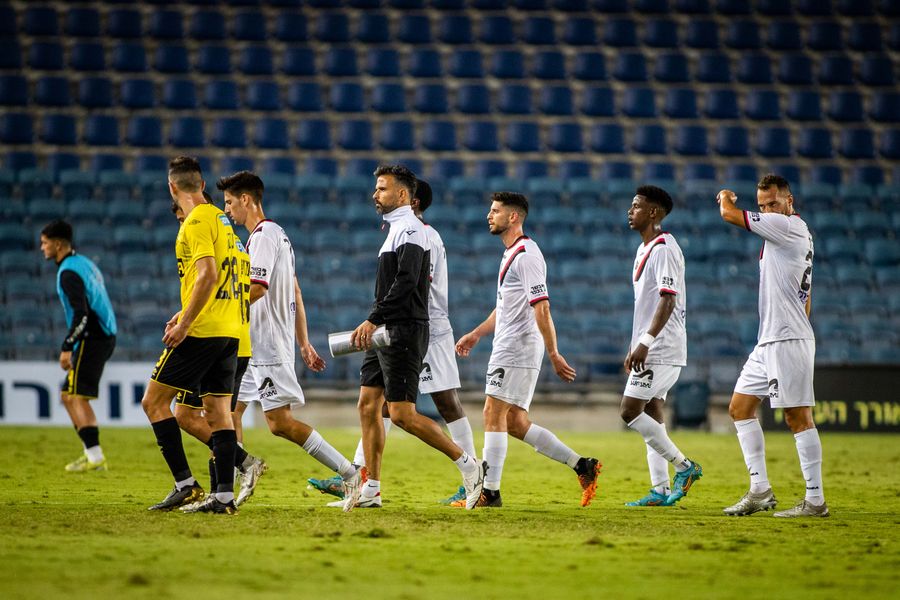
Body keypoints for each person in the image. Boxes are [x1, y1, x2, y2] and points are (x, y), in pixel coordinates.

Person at [307, 179, 478, 506]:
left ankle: (472, 468)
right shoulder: (398, 231)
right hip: (393, 325)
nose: (376, 195)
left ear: (411, 200)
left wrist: (378, 316)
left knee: (429, 405)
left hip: (420, 325)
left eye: (383, 189)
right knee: (373, 403)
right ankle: (366, 483)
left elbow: (411, 283)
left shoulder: (421, 233)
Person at [218, 171, 360, 500]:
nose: (226, 210)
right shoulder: (277, 235)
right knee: (229, 411)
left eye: (229, 202)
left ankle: (351, 474)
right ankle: (232, 485)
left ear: (245, 199)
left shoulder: (264, 236)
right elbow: (295, 291)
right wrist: (304, 342)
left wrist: (219, 306)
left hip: (267, 345)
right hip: (252, 344)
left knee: (279, 423)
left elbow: (257, 288)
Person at [455, 192, 600, 508]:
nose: (489, 215)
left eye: (495, 211)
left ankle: (490, 492)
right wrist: (477, 333)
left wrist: (554, 353)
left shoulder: (527, 255)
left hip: (516, 348)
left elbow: (542, 307)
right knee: (515, 422)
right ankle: (582, 465)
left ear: (513, 217)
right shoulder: (511, 254)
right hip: (512, 345)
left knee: (492, 413)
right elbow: (505, 307)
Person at [717, 174, 827, 518]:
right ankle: (760, 490)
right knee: (740, 408)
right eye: (762, 206)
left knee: (797, 417)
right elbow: (806, 295)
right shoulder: (790, 231)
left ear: (789, 201)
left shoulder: (786, 225)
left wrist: (724, 196)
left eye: (773, 204)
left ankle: (815, 500)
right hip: (769, 339)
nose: (767, 211)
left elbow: (729, 214)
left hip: (787, 338)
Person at [142, 156, 243, 514]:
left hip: (202, 331)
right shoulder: (222, 221)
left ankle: (185, 485)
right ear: (201, 184)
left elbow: (208, 275)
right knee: (218, 414)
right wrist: (184, 312)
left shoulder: (196, 221)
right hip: (230, 329)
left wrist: (184, 323)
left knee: (153, 403)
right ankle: (224, 497)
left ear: (171, 187)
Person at [169, 194, 267, 509]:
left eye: (183, 218)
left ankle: (237, 468)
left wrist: (186, 321)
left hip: (212, 336)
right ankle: (221, 491)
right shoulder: (235, 244)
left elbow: (212, 284)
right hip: (237, 338)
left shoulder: (210, 239)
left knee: (190, 414)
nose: (183, 226)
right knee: (214, 415)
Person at [621, 186, 702, 507]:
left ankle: (685, 466)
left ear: (653, 212)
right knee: (652, 413)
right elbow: (647, 306)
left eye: (636, 206)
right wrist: (635, 345)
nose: (630, 211)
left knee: (630, 411)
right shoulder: (645, 249)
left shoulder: (665, 248)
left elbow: (668, 300)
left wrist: (645, 342)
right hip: (651, 347)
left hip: (662, 347)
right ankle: (660, 489)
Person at [40, 219, 117, 472]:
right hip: (102, 334)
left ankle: (96, 458)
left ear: (58, 244)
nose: (42, 248)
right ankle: (91, 454)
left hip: (93, 337)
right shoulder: (83, 263)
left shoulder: (68, 272)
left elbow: (81, 313)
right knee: (68, 395)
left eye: (45, 243)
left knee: (75, 396)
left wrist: (67, 346)